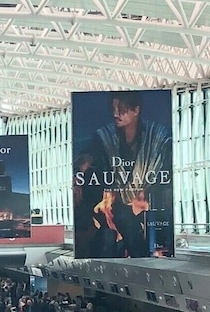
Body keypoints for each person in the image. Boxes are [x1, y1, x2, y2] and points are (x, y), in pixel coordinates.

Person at [71, 90, 174, 258]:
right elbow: (88, 155)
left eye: (122, 109)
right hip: (115, 202)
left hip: (148, 202)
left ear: (136, 110)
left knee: (125, 223)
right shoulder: (105, 136)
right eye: (113, 108)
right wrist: (77, 176)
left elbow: (167, 165)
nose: (115, 114)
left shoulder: (156, 135)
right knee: (117, 222)